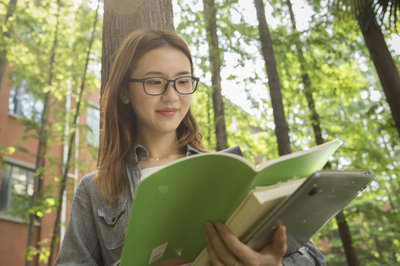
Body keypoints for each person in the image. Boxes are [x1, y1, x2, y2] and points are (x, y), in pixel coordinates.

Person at [55, 29, 326, 266]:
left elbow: (313, 258)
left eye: (183, 81)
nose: (171, 96)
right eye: (155, 82)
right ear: (125, 91)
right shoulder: (96, 189)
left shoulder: (228, 171)